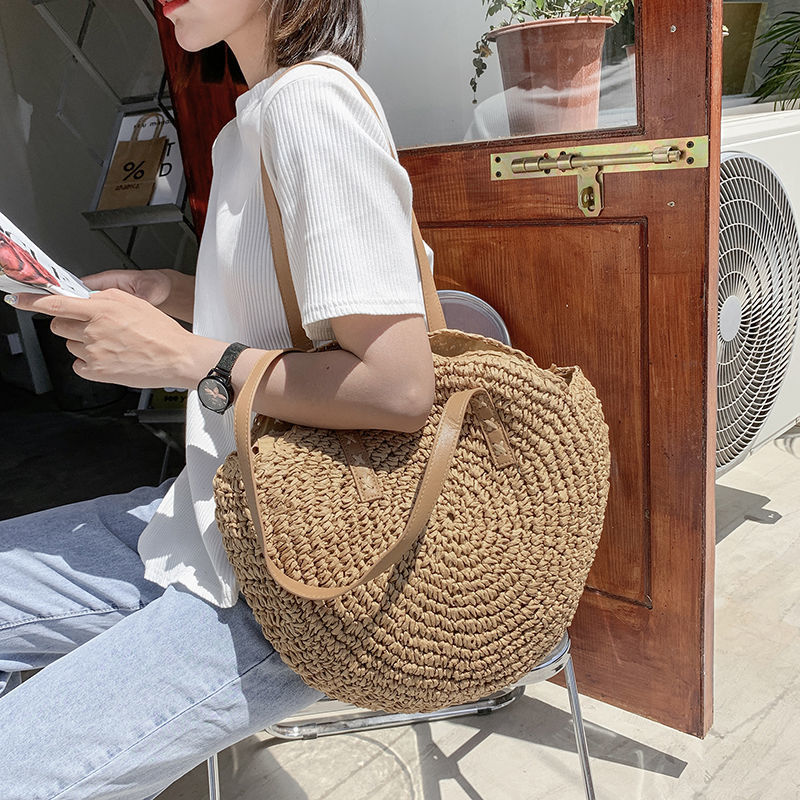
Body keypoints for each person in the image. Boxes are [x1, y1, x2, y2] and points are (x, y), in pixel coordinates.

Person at [0, 1, 435, 797]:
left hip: (301, 578)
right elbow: (294, 316)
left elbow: (401, 386)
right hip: (212, 523)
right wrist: (168, 290)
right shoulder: (256, 117)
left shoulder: (312, 105)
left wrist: (184, 358)